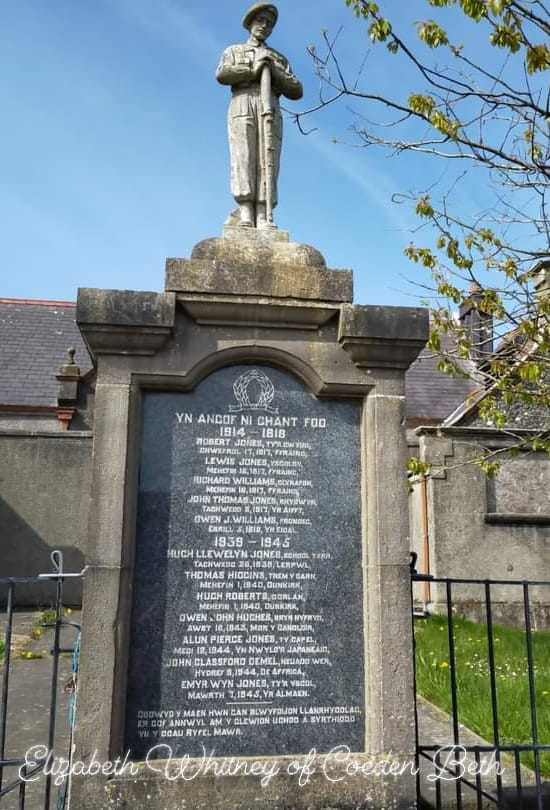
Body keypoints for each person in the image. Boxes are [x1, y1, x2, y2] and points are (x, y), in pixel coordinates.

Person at [216, 3, 303, 228]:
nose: (264, 26)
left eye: (269, 23)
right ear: (250, 24)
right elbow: (222, 74)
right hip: (243, 101)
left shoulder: (278, 58)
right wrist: (252, 70)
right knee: (244, 154)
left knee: (269, 157)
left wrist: (274, 73)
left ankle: (264, 214)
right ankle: (245, 211)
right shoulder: (234, 51)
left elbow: (296, 90)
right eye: (260, 21)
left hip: (270, 105)